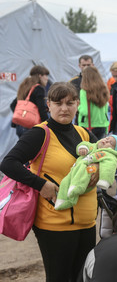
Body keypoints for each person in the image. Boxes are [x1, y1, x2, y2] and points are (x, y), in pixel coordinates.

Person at [1, 82, 99, 282]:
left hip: (87, 222)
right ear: (48, 105)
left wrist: (98, 171)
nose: (64, 108)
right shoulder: (40, 134)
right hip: (55, 225)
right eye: (58, 103)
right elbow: (8, 163)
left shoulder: (84, 134)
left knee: (83, 278)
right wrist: (40, 184)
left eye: (70, 103)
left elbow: (104, 157)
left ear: (77, 104)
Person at [54, 134, 117, 211]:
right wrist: (83, 148)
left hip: (87, 172)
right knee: (65, 182)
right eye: (107, 138)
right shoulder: (94, 146)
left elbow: (109, 167)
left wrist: (104, 181)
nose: (106, 140)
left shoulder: (109, 155)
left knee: (83, 174)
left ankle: (76, 189)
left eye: (110, 143)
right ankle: (61, 201)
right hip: (74, 170)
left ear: (113, 150)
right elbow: (85, 144)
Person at [10, 71, 50, 137]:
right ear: (40, 76)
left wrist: (22, 115)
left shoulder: (25, 87)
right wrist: (48, 124)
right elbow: (41, 108)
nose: (47, 79)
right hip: (32, 126)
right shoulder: (39, 88)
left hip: (20, 126)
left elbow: (12, 105)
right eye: (46, 75)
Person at [78, 66, 110, 139]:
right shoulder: (104, 90)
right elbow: (105, 110)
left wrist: (78, 106)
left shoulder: (84, 92)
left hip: (88, 126)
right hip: (102, 125)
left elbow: (84, 111)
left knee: (89, 149)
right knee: (99, 149)